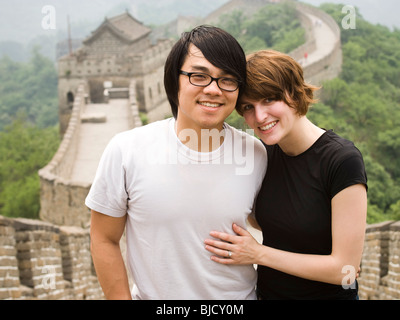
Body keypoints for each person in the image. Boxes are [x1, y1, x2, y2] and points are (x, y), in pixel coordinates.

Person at [85, 26, 267, 300]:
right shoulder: (127, 150)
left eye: (227, 80)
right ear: (175, 80)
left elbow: (278, 224)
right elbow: (104, 239)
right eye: (199, 76)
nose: (213, 90)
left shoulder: (255, 153)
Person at [204, 50, 368, 300]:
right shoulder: (262, 154)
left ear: (294, 92)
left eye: (269, 100)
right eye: (248, 107)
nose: (259, 117)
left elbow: (344, 271)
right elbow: (267, 220)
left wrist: (258, 254)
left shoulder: (341, 160)